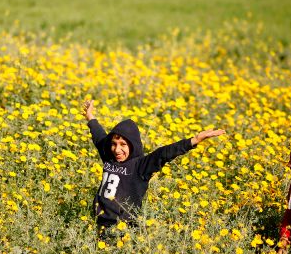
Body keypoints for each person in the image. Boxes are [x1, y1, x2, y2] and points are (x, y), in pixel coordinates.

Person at [82, 99, 226, 237]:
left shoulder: (140, 166)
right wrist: (90, 117)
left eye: (123, 145)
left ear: (133, 145)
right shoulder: (109, 156)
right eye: (114, 144)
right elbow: (99, 135)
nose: (117, 149)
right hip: (99, 224)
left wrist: (194, 140)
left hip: (123, 229)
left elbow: (163, 154)